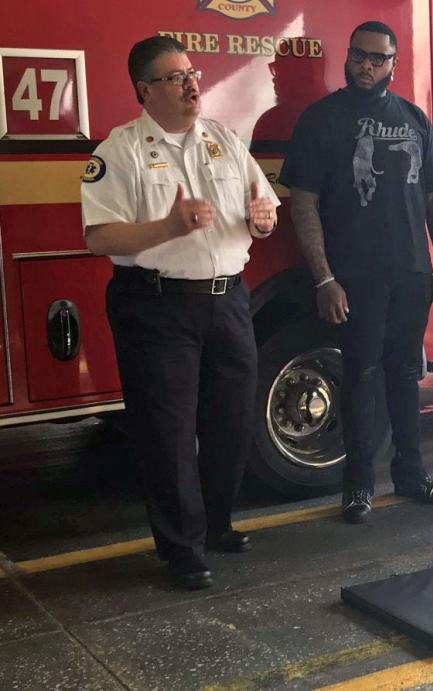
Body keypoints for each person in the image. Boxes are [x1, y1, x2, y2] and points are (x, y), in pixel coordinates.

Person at [80, 36, 280, 589]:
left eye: (192, 73)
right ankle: (181, 547)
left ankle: (217, 524)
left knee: (234, 420)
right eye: (174, 77)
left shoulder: (225, 141)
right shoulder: (118, 151)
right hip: (156, 305)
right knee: (167, 433)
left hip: (227, 299)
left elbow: (262, 214)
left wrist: (263, 221)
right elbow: (100, 237)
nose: (192, 84)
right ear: (145, 89)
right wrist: (169, 226)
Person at [279, 21, 433, 524]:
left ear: (393, 65)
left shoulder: (415, 120)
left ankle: (412, 473)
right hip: (354, 277)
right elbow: (304, 205)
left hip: (412, 273)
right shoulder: (321, 120)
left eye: (378, 58)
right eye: (359, 54)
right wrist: (323, 278)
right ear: (347, 56)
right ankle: (358, 487)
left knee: (405, 373)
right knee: (358, 375)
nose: (366, 65)